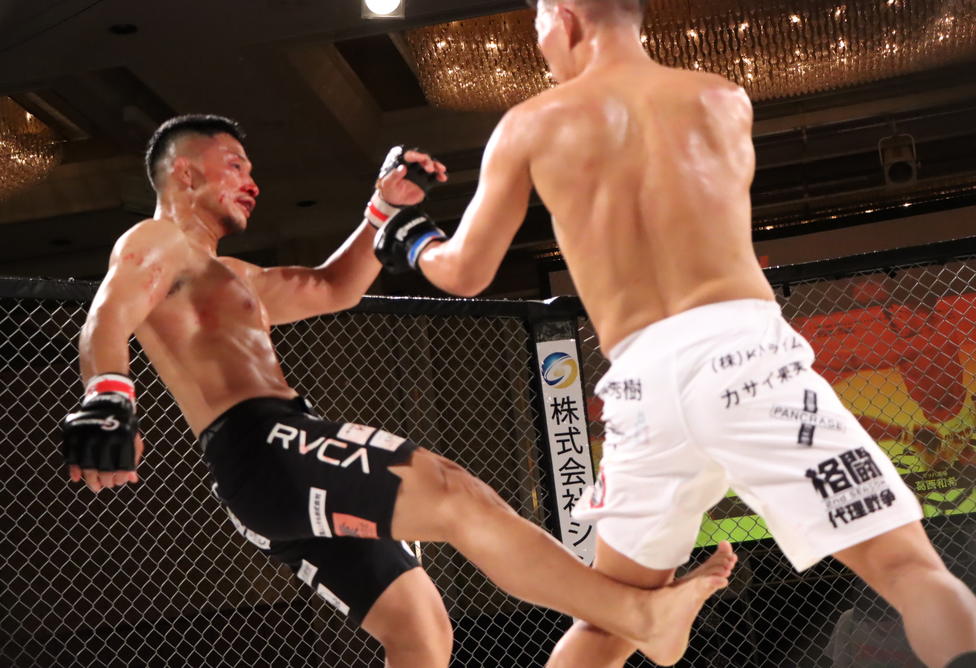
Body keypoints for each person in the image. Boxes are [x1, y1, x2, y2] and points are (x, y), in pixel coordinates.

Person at [369, 1, 976, 666]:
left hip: (644, 388)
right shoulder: (722, 100)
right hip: (744, 355)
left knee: (611, 622)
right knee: (908, 569)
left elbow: (465, 271)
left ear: (565, 17)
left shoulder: (530, 124)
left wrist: (409, 235)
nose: (541, 45)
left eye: (538, 27)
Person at [59, 114, 735, 668]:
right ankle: (639, 616)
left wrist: (381, 210)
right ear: (184, 172)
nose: (252, 182)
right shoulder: (156, 241)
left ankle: (638, 618)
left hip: (271, 468)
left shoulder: (233, 276)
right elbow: (106, 316)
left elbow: (333, 287)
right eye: (235, 165)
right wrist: (108, 397)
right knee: (454, 493)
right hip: (266, 446)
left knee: (420, 631)